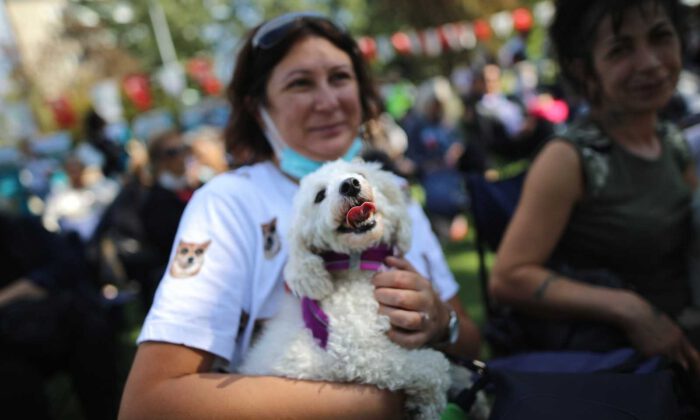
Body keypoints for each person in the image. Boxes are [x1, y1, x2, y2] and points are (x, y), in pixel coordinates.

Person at [119, 12, 481, 418]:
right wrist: (380, 401)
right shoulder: (229, 203)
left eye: (341, 78)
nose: (328, 101)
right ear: (258, 109)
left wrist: (440, 322)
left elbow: (469, 342)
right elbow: (148, 405)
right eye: (300, 83)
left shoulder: (391, 194)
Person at [489, 0, 700, 394]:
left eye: (660, 37)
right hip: (632, 371)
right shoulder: (569, 159)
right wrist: (629, 309)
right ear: (584, 69)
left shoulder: (671, 141)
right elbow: (509, 278)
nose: (650, 62)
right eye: (621, 49)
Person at [0, 211, 120, 420]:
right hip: (9, 345)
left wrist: (26, 287)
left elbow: (68, 264)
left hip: (50, 322)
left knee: (90, 328)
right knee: (14, 382)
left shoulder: (19, 227)